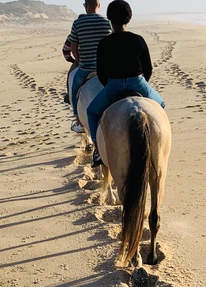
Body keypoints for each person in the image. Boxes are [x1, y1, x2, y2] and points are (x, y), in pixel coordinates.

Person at [86, 0, 165, 166]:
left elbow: (101, 73)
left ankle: (98, 152)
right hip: (138, 83)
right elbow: (148, 69)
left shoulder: (104, 42)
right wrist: (141, 85)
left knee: (92, 112)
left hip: (113, 85)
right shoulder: (138, 39)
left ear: (110, 19)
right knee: (161, 105)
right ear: (128, 18)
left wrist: (111, 85)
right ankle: (161, 144)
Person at [68, 0, 111, 133]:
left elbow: (73, 48)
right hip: (105, 69)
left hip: (86, 69)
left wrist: (80, 60)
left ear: (85, 6)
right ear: (98, 6)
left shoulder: (77, 23)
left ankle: (79, 122)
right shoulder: (107, 22)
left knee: (74, 89)